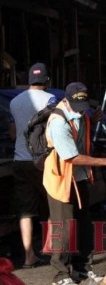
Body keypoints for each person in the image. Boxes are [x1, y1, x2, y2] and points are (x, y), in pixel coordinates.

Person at [43, 82, 106, 285]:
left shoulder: (81, 113)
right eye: (78, 106)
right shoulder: (58, 122)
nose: (82, 110)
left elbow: (83, 123)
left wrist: (92, 118)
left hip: (79, 178)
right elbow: (72, 156)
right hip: (61, 179)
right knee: (64, 227)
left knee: (83, 223)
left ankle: (81, 268)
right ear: (67, 101)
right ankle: (60, 273)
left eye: (84, 106)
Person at [8, 62, 56, 268]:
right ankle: (50, 250)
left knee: (26, 211)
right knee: (54, 206)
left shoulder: (15, 102)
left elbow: (12, 133)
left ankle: (28, 256)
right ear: (47, 81)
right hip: (44, 162)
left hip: (20, 161)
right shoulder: (52, 100)